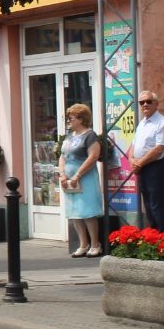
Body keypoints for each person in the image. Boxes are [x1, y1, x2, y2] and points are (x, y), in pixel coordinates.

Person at [60, 103, 103, 257]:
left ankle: (95, 244)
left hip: (85, 179)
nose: (69, 121)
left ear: (81, 118)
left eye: (71, 118)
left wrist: (78, 174)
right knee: (75, 212)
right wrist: (62, 175)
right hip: (69, 180)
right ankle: (83, 244)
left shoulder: (90, 135)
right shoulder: (69, 137)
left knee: (87, 211)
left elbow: (93, 156)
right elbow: (62, 156)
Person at [130, 90, 164, 230]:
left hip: (155, 168)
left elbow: (159, 148)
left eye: (148, 101)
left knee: (157, 204)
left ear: (156, 104)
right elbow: (134, 144)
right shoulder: (142, 123)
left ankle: (163, 238)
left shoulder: (163, 122)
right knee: (147, 204)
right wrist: (131, 160)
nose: (145, 105)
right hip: (142, 168)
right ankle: (153, 237)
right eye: (142, 102)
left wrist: (139, 163)